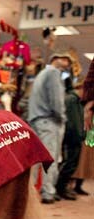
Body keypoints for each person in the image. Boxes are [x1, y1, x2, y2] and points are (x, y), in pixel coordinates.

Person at [27, 53, 74, 204]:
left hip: (36, 119)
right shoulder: (53, 73)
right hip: (49, 121)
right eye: (65, 59)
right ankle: (48, 192)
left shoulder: (41, 74)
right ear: (55, 59)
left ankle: (31, 192)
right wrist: (62, 118)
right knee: (50, 159)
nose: (67, 63)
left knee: (35, 161)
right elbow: (57, 100)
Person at [56, 73, 84, 200]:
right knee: (68, 164)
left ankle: (61, 188)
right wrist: (78, 135)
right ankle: (60, 188)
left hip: (74, 138)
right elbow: (72, 122)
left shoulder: (76, 101)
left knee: (71, 164)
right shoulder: (72, 100)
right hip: (71, 138)